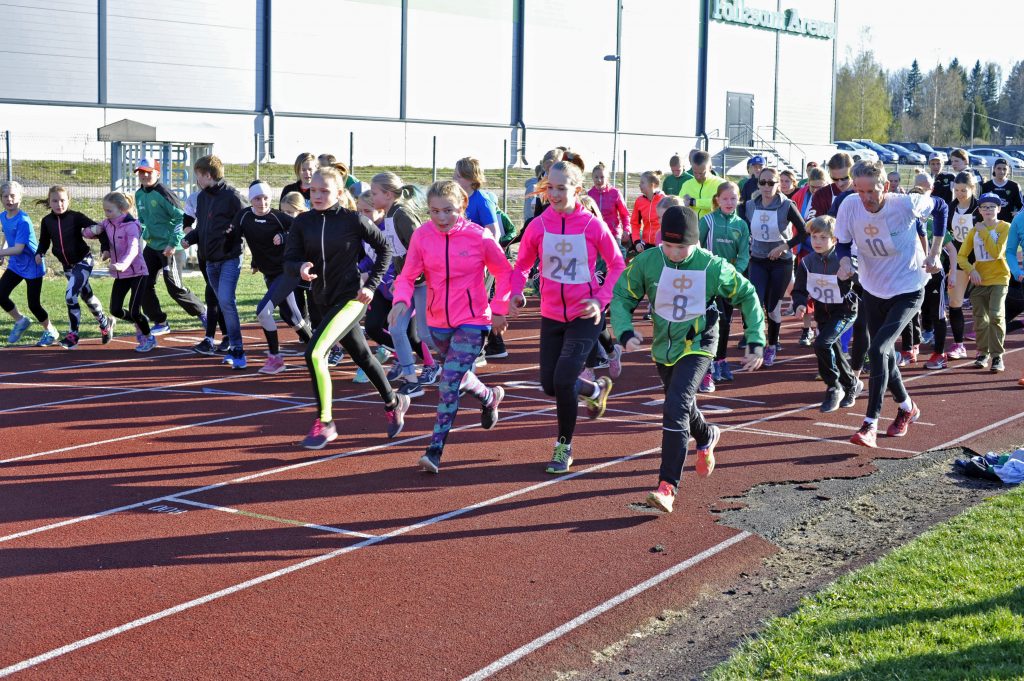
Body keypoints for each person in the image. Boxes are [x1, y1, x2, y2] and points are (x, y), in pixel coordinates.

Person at [610, 206, 765, 513]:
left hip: (699, 342)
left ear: (695, 243)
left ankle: (667, 486)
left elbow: (746, 293)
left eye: (681, 247)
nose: (674, 253)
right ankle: (706, 435)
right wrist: (624, 329)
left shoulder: (712, 266)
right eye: (668, 246)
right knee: (682, 406)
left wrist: (755, 337)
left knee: (676, 405)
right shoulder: (647, 262)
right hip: (663, 346)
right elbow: (622, 295)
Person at [510, 158, 625, 474]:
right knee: (550, 385)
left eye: (562, 188)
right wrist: (517, 291)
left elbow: (617, 265)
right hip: (551, 315)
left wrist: (599, 300)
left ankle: (564, 446)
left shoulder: (592, 226)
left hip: (584, 316)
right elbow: (521, 266)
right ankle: (595, 390)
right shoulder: (539, 225)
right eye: (551, 188)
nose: (555, 194)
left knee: (563, 381)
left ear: (577, 189)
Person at [391, 180, 512, 473]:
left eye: (448, 210)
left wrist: (498, 310)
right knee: (455, 377)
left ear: (462, 207)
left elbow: (504, 273)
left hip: (473, 320)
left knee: (448, 383)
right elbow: (407, 276)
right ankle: (489, 397)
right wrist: (401, 300)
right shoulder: (422, 236)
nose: (441, 218)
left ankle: (434, 450)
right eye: (434, 211)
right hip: (437, 323)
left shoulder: (479, 236)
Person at [284, 165, 408, 449]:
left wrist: (371, 285)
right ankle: (394, 401)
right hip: (322, 300)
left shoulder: (353, 220)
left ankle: (325, 422)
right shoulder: (303, 223)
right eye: (313, 190)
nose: (316, 195)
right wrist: (299, 266)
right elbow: (289, 258)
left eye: (324, 191)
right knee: (362, 355)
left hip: (351, 300)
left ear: (339, 193)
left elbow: (385, 250)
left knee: (315, 353)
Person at [835, 160, 943, 448]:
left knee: (879, 348)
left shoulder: (905, 204)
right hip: (873, 288)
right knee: (886, 355)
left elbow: (941, 207)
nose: (865, 197)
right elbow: (843, 243)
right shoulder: (849, 205)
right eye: (859, 190)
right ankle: (908, 408)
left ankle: (870, 423)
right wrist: (845, 262)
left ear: (885, 186)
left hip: (908, 287)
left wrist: (934, 253)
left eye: (871, 190)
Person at [231, 181, 312, 375]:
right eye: (257, 198)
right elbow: (236, 236)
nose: (262, 202)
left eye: (265, 198)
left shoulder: (279, 217)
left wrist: (284, 236)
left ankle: (275, 358)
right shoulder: (244, 217)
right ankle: (319, 347)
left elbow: (302, 231)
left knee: (264, 311)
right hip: (270, 273)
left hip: (287, 271)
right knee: (292, 317)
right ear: (250, 200)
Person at [176, 155, 248, 368]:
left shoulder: (233, 196)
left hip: (229, 257)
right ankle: (227, 341)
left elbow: (246, 220)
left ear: (207, 175)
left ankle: (238, 350)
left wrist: (234, 236)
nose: (197, 180)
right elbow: (204, 228)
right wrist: (190, 238)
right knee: (220, 301)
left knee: (226, 301)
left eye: (198, 176)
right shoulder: (203, 197)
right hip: (209, 260)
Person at [374, 171, 436, 395]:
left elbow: (422, 246)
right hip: (407, 282)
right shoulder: (389, 215)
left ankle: (461, 364)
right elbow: (397, 253)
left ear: (388, 194)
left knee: (427, 334)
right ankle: (412, 379)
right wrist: (399, 278)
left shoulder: (402, 215)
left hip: (422, 282)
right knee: (396, 328)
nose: (372, 198)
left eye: (374, 193)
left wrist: (412, 276)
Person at [791, 216, 862, 412]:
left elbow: (863, 283)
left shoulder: (845, 259)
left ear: (835, 239)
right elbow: (799, 289)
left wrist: (850, 277)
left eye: (823, 237)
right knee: (835, 351)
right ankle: (852, 385)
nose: (818, 242)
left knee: (822, 344)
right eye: (814, 237)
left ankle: (834, 386)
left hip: (844, 312)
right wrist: (799, 304)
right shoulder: (807, 262)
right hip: (823, 314)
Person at [134, 158, 206, 335]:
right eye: (141, 172)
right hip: (152, 246)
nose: (144, 175)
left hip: (171, 247)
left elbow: (181, 218)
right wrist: (140, 231)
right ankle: (160, 321)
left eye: (148, 172)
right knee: (143, 284)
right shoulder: (139, 194)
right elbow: (144, 219)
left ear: (157, 173)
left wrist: (173, 243)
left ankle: (203, 313)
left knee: (174, 287)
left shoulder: (163, 193)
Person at [744, 167, 807, 366]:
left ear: (778, 184)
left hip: (781, 263)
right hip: (758, 260)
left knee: (773, 308)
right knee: (755, 303)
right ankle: (754, 346)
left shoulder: (787, 205)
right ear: (758, 184)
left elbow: (804, 232)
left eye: (771, 182)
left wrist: (784, 246)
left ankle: (772, 346)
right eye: (763, 182)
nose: (767, 186)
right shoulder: (749, 206)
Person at [35, 185, 112, 349]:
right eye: (55, 201)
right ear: (49, 202)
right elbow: (43, 241)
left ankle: (73, 335)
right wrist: (39, 253)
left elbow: (99, 229)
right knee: (87, 296)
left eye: (62, 200)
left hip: (84, 261)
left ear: (68, 200)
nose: (59, 204)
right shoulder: (47, 221)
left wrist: (105, 248)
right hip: (68, 266)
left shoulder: (75, 217)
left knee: (71, 296)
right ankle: (105, 323)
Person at [84, 192, 156, 352]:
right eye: (104, 210)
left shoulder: (131, 226)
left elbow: (133, 249)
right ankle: (139, 322)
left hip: (137, 272)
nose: (106, 213)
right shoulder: (107, 223)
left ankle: (149, 337)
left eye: (109, 210)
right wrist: (93, 230)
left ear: (122, 209)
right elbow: (87, 233)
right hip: (121, 274)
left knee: (135, 310)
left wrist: (122, 264)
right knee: (115, 309)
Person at [454, 157, 507, 361]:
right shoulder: (460, 200)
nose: (454, 179)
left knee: (477, 303)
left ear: (471, 178)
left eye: (458, 176)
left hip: (481, 261)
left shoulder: (481, 199)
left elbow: (494, 232)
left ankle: (479, 350)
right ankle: (496, 344)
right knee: (473, 302)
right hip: (463, 262)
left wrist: (485, 261)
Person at [699, 181, 750, 389]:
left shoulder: (741, 225)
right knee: (712, 321)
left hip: (728, 281)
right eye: (725, 198)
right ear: (717, 200)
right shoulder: (707, 221)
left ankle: (721, 361)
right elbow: (697, 248)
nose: (729, 202)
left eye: (733, 198)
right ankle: (707, 364)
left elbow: (744, 255)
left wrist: (733, 275)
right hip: (708, 280)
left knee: (727, 322)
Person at [957, 192, 1011, 372]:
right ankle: (983, 353)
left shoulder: (1004, 228)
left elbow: (996, 253)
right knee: (980, 319)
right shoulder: (974, 231)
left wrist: (984, 231)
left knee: (996, 316)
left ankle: (997, 357)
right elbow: (961, 257)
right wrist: (971, 270)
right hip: (979, 281)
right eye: (984, 207)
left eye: (992, 206)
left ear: (999, 209)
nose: (988, 210)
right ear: (979, 210)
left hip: (999, 278)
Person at [1, 181, 57, 346]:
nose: (9, 199)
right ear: (1, 199)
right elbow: (7, 234)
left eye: (13, 196)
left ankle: (51, 331)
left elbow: (18, 248)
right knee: (0, 294)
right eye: (5, 196)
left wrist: (1, 252)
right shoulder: (3, 217)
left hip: (33, 264)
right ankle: (20, 320)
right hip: (16, 265)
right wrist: (3, 250)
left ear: (20, 198)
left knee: (34, 305)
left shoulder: (23, 220)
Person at [945, 171, 981, 359]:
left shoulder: (980, 208)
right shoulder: (950, 208)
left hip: (981, 260)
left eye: (964, 190)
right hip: (959, 259)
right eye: (957, 190)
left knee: (983, 303)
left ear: (972, 188)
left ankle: (986, 346)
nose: (960, 193)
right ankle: (959, 345)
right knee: (955, 302)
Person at [588, 162, 629, 251]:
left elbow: (624, 214)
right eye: (596, 177)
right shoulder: (589, 195)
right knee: (597, 263)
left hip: (613, 233)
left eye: (602, 177)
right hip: (595, 234)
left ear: (607, 178)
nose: (599, 180)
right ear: (592, 178)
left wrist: (626, 229)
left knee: (613, 261)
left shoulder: (615, 193)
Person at [679, 150, 725, 220]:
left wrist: (694, 202)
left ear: (710, 167)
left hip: (714, 228)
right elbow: (678, 206)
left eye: (701, 173)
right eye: (695, 172)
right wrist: (682, 203)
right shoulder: (686, 185)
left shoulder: (722, 184)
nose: (698, 176)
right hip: (691, 228)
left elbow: (721, 203)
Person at [630, 170, 665, 253]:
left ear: (652, 185)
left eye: (642, 182)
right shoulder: (639, 201)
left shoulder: (664, 200)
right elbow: (634, 223)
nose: (639, 185)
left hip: (661, 244)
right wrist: (637, 241)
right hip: (645, 244)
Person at [812, 152, 854, 218]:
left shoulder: (864, 192)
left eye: (845, 178)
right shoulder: (821, 195)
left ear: (853, 172)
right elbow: (813, 225)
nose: (840, 184)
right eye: (835, 179)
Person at [981, 159, 1023, 223]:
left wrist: (1017, 213)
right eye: (999, 168)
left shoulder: (1014, 186)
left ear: (1008, 170)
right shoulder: (986, 186)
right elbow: (980, 205)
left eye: (1004, 169)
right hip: (989, 223)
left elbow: (1021, 205)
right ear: (994, 169)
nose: (1002, 171)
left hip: (1008, 223)